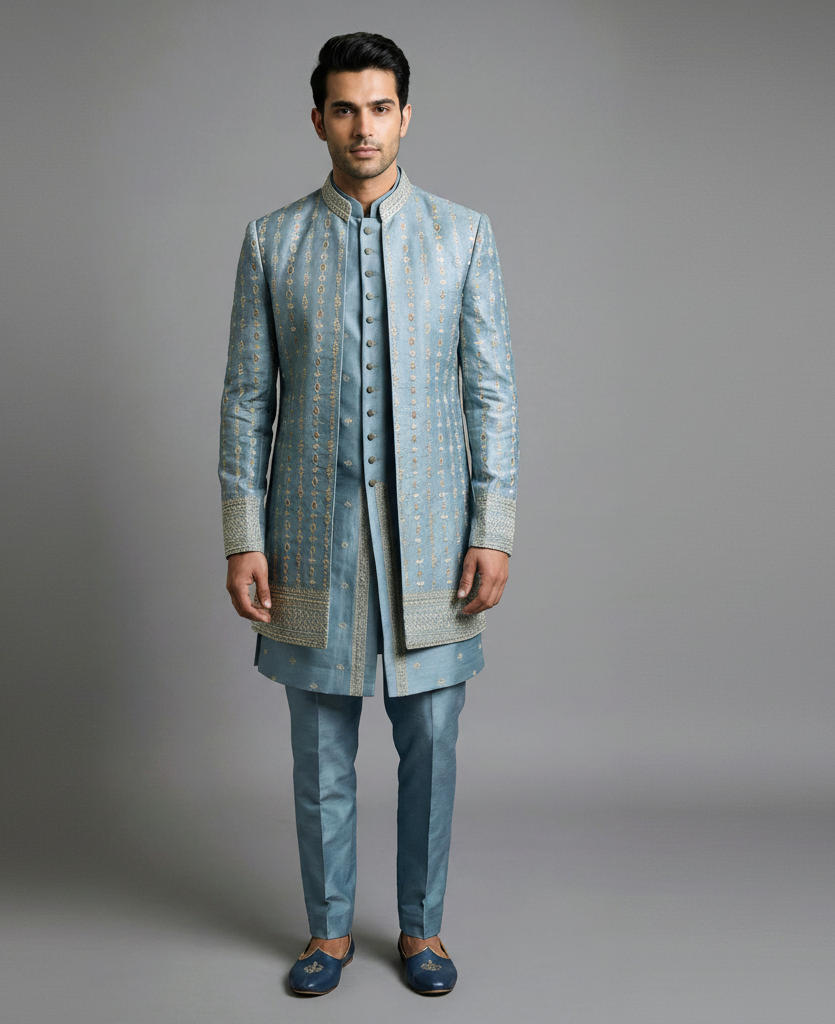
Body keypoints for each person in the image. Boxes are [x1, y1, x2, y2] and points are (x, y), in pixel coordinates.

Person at [218, 31, 518, 996]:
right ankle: (329, 933)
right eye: (345, 109)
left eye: (380, 107)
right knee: (319, 753)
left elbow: (492, 395)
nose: (363, 127)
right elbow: (246, 400)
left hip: (432, 544)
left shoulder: (463, 235)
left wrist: (493, 528)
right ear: (318, 120)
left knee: (432, 742)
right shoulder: (273, 242)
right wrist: (243, 537)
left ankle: (423, 930)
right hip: (311, 539)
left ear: (406, 116)